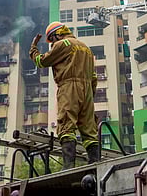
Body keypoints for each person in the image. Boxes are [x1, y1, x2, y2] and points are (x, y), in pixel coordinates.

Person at [29, 21, 99, 169]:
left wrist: (33, 49)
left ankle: (68, 166)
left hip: (69, 87)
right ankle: (95, 163)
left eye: (51, 39)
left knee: (66, 125)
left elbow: (42, 62)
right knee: (89, 130)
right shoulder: (86, 48)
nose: (52, 43)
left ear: (57, 34)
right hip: (87, 91)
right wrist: (89, 97)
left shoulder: (63, 44)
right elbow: (93, 76)